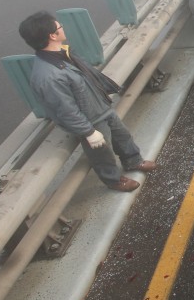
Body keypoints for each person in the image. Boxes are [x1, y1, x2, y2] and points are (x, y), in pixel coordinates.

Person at [18, 11, 157, 192]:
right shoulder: (48, 76)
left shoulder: (63, 53)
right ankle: (113, 180)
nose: (62, 28)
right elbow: (65, 110)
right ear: (52, 35)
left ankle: (133, 161)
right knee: (101, 153)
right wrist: (88, 132)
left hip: (100, 108)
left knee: (122, 136)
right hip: (91, 120)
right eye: (59, 26)